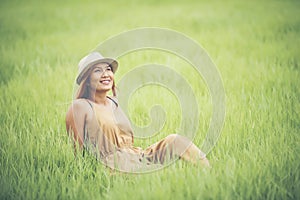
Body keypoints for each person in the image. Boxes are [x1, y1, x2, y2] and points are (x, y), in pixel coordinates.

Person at [66, 51, 209, 172]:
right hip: (113, 165)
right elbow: (78, 153)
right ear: (87, 80)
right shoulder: (80, 106)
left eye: (108, 69)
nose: (106, 74)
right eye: (97, 70)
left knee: (175, 140)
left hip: (135, 155)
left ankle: (210, 173)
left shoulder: (113, 102)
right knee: (158, 175)